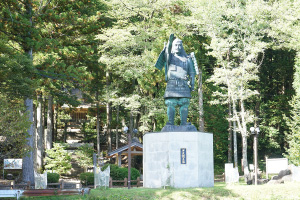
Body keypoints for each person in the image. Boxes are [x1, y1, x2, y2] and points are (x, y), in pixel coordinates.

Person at [155, 34, 198, 126]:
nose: (178, 47)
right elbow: (166, 53)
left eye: (179, 45)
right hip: (172, 83)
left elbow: (192, 73)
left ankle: (183, 123)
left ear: (182, 46)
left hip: (184, 84)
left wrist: (193, 85)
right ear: (172, 47)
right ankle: (170, 122)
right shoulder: (170, 58)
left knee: (184, 103)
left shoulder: (188, 59)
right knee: (171, 103)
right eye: (176, 45)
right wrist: (170, 42)